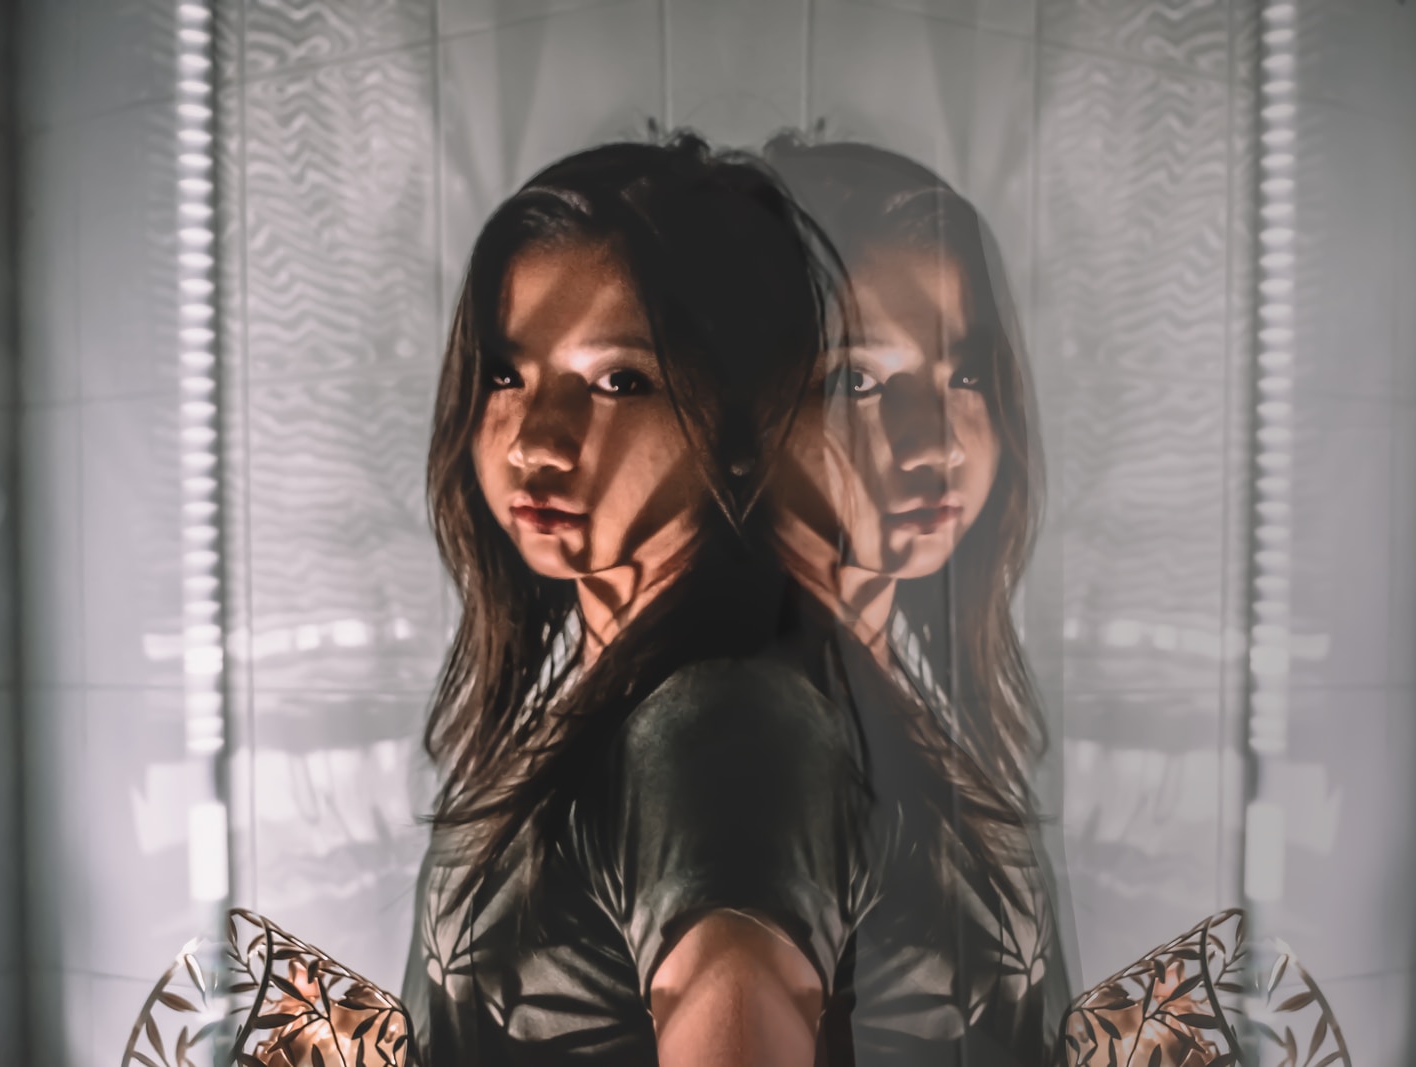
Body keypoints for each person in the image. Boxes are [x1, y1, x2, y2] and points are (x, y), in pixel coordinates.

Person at [401, 133, 870, 1067]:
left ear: (741, 423)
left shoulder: (713, 729)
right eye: (506, 372)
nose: (534, 439)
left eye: (618, 380)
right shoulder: (611, 703)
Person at [761, 136, 1074, 1064]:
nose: (937, 442)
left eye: (965, 374)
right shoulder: (756, 732)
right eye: (860, 378)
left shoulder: (906, 692)